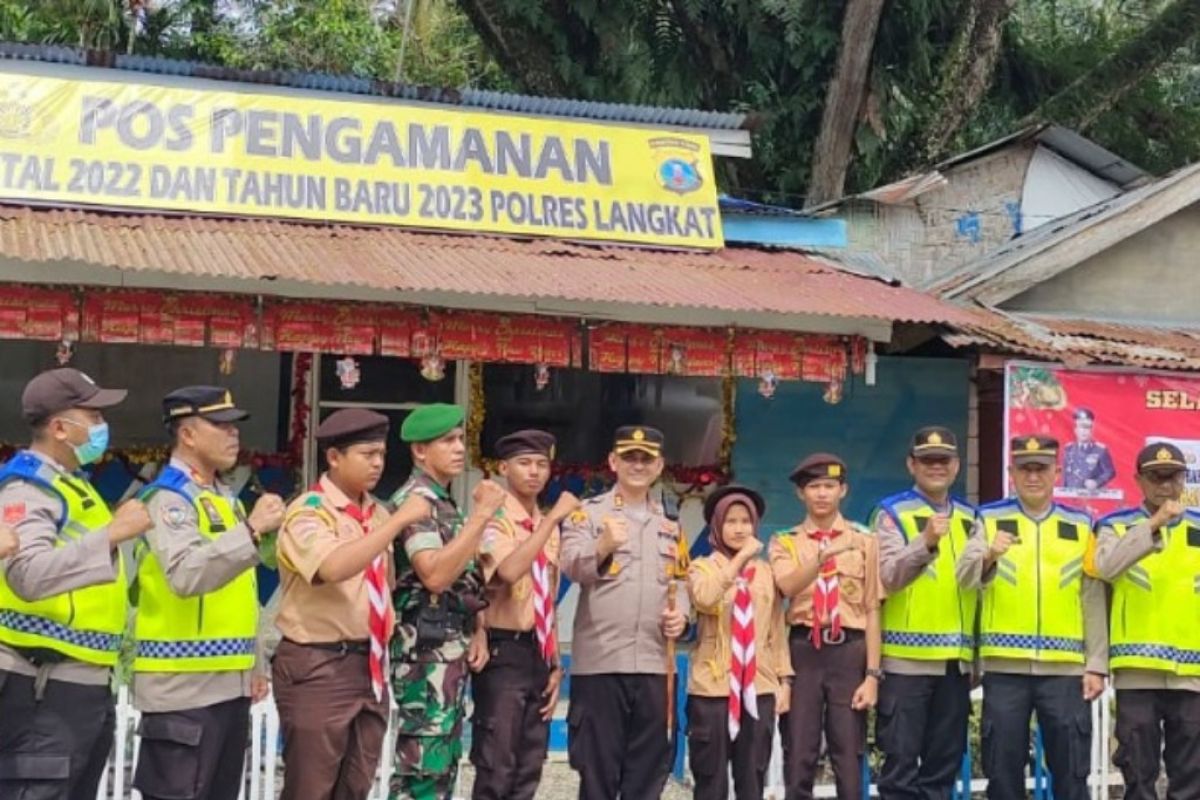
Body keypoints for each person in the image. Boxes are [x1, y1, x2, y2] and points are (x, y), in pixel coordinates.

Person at [0, 367, 152, 800]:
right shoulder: (28, 486)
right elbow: (27, 574)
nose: (103, 426)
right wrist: (112, 535)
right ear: (60, 428)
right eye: (95, 415)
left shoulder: (73, 486)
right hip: (40, 684)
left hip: (79, 682)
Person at [130, 386, 286, 800]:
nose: (233, 434)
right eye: (220, 424)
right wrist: (251, 531)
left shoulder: (223, 499)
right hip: (181, 690)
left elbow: (239, 589)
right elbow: (185, 575)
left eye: (235, 425)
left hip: (228, 687)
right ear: (188, 435)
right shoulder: (169, 498)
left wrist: (254, 663)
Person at [273, 408, 431, 800]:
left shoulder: (376, 511)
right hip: (318, 662)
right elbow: (332, 566)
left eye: (381, 454)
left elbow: (384, 585)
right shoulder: (309, 512)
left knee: (355, 785)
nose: (378, 463)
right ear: (334, 457)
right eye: (367, 454)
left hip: (368, 662)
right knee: (310, 787)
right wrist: (397, 524)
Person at [956, 435, 1107, 800]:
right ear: (1011, 473)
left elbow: (1092, 596)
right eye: (1025, 469)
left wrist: (1097, 663)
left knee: (1072, 772)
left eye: (1042, 469)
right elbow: (963, 577)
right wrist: (989, 555)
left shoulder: (1082, 524)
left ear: (1057, 472)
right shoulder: (989, 519)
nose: (1033, 476)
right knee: (1003, 772)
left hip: (1066, 670)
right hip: (1005, 671)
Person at [560, 425, 691, 800]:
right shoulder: (588, 514)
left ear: (659, 465)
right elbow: (570, 567)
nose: (637, 465)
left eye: (646, 459)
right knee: (597, 771)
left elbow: (680, 580)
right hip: (601, 663)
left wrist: (681, 615)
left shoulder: (670, 521)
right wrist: (602, 545)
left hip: (654, 664)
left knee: (648, 772)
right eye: (629, 457)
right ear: (613, 462)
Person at [389, 403, 505, 800]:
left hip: (448, 652)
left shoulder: (442, 501)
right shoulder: (416, 502)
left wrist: (478, 631)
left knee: (441, 769)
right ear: (420, 451)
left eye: (461, 439)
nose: (459, 448)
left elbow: (463, 581)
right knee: (421, 773)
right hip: (422, 659)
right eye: (448, 441)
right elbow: (435, 574)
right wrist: (482, 515)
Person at [1087, 442, 1200, 799]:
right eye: (1156, 477)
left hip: (1192, 674)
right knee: (1138, 772)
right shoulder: (1113, 526)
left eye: (1174, 477)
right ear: (1138, 480)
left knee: (1191, 776)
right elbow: (1104, 568)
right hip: (1137, 669)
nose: (1166, 485)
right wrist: (1153, 525)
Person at [470, 429, 578, 800]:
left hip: (538, 649)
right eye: (524, 463)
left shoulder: (544, 525)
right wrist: (550, 522)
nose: (534, 472)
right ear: (503, 467)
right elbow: (509, 571)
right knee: (496, 762)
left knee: (530, 763)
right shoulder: (494, 520)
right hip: (503, 649)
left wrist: (555, 660)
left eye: (542, 464)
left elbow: (546, 595)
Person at [872, 426, 977, 800]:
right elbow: (887, 577)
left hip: (955, 664)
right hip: (906, 663)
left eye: (943, 460)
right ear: (911, 464)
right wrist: (926, 542)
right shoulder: (891, 513)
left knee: (942, 769)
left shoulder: (971, 516)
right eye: (927, 460)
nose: (936, 467)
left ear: (956, 466)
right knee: (899, 769)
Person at [769, 453, 881, 800]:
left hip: (849, 651)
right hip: (804, 650)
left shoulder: (865, 540)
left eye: (829, 486)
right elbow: (786, 586)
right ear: (801, 494)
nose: (821, 494)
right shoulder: (785, 540)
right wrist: (822, 557)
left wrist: (873, 675)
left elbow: (873, 608)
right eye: (813, 486)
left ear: (843, 490)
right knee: (799, 751)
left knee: (848, 753)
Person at [686, 485, 791, 800]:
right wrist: (741, 558)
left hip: (758, 687)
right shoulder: (700, 567)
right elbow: (705, 598)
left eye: (746, 521)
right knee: (711, 778)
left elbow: (775, 629)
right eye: (730, 521)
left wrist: (784, 681)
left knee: (752, 777)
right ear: (717, 526)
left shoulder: (767, 573)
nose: (739, 529)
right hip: (713, 687)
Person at [1063, 408, 1116, 491]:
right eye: (1081, 428)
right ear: (1075, 430)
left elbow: (1110, 472)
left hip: (1091, 496)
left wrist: (1097, 482)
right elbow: (1065, 475)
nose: (1084, 432)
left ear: (1091, 431)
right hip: (1071, 495)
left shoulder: (1100, 450)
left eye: (1087, 428)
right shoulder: (1068, 449)